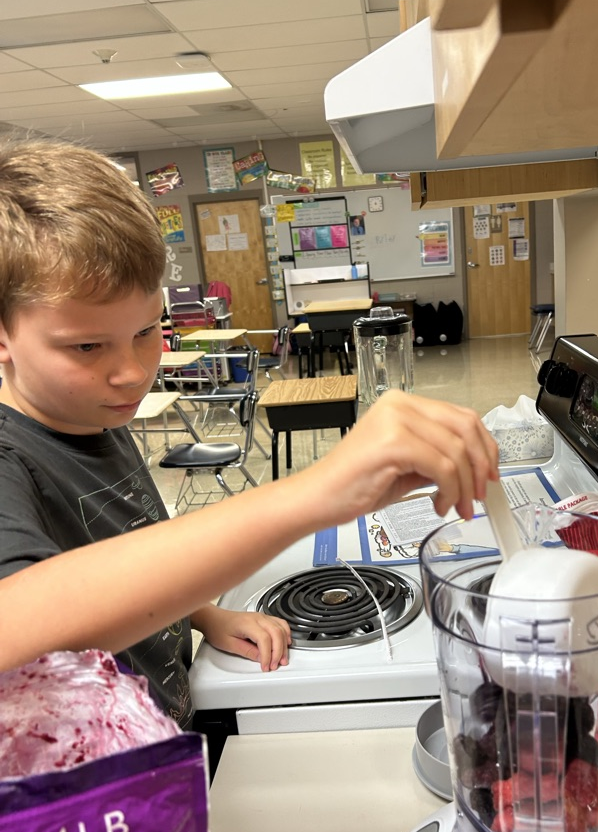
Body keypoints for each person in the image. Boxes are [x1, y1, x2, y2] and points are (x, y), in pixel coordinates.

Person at [0, 138, 499, 728]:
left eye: (146, 331)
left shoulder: (90, 415)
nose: (132, 371)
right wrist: (314, 493)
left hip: (165, 730)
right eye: (86, 346)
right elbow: (20, 621)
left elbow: (120, 558)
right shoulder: (13, 454)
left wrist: (201, 613)